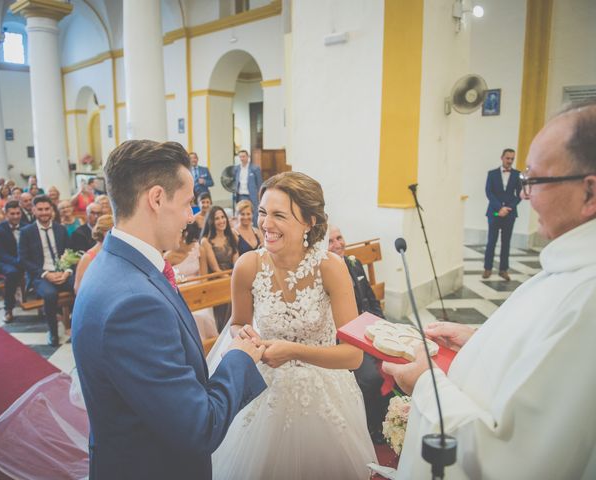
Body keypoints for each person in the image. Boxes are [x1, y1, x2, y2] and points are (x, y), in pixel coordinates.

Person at [382, 100, 596, 479]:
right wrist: (480, 338)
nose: (525, 196)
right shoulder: (572, 268)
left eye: (534, 181)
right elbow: (542, 350)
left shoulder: (588, 298)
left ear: (590, 194)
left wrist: (424, 384)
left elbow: (515, 459)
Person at [72, 139, 267, 480]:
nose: (192, 216)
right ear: (157, 198)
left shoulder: (112, 265)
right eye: (189, 203)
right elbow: (199, 427)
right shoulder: (134, 304)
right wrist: (239, 356)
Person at [210, 171, 376, 479]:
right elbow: (237, 324)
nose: (266, 224)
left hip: (324, 392)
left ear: (309, 222)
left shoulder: (331, 268)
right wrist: (243, 335)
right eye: (262, 213)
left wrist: (293, 352)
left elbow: (353, 355)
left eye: (279, 215)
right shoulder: (247, 267)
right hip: (263, 390)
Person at [328, 224, 388, 444]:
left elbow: (372, 302)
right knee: (371, 377)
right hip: (346, 340)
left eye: (339, 238)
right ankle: (373, 427)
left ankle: (392, 420)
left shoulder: (354, 263)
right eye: (331, 241)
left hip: (368, 331)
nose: (338, 244)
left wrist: (384, 330)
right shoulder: (326, 274)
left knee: (397, 365)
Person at [19, 195, 73, 346]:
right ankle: (53, 332)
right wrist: (46, 274)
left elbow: (69, 252)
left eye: (47, 209)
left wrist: (67, 271)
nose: (44, 213)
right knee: (50, 295)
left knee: (81, 286)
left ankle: (77, 324)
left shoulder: (60, 229)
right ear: (33, 210)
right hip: (40, 275)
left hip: (62, 272)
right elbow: (23, 259)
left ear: (52, 210)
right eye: (40, 209)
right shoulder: (26, 232)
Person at [164, 222, 218, 340]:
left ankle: (210, 343)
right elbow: (167, 282)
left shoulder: (198, 249)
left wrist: (202, 294)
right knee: (190, 317)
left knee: (203, 315)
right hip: (180, 293)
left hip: (200, 291)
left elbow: (204, 278)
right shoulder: (169, 256)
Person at [483, 148, 521, 281]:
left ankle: (503, 270)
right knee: (491, 241)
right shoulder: (492, 174)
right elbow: (489, 192)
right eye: (507, 158)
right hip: (494, 212)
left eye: (512, 159)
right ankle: (487, 268)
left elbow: (519, 195)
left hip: (510, 214)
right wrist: (499, 208)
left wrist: (508, 208)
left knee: (506, 242)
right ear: (502, 158)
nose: (510, 161)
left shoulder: (517, 175)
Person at [200, 205, 239, 332]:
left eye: (223, 217)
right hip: (218, 280)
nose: (221, 221)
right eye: (217, 218)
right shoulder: (206, 241)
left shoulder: (232, 236)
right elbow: (215, 268)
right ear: (211, 221)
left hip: (232, 277)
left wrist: (238, 278)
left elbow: (236, 263)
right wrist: (232, 281)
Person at [0, 200, 24, 323]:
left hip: (21, 259)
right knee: (12, 273)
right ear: (6, 214)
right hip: (4, 261)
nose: (16, 216)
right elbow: (1, 254)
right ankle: (8, 308)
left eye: (18, 213)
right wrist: (18, 262)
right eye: (12, 214)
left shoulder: (26, 226)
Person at [74, 214, 113, 294]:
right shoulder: (88, 258)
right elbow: (78, 289)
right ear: (103, 232)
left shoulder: (114, 252)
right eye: (111, 231)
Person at [233, 150, 262, 225]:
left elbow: (260, 184)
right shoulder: (236, 169)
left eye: (243, 156)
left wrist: (260, 196)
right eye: (240, 157)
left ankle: (255, 230)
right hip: (240, 195)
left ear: (248, 157)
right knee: (241, 212)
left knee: (254, 214)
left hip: (252, 195)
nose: (242, 158)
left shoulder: (255, 168)